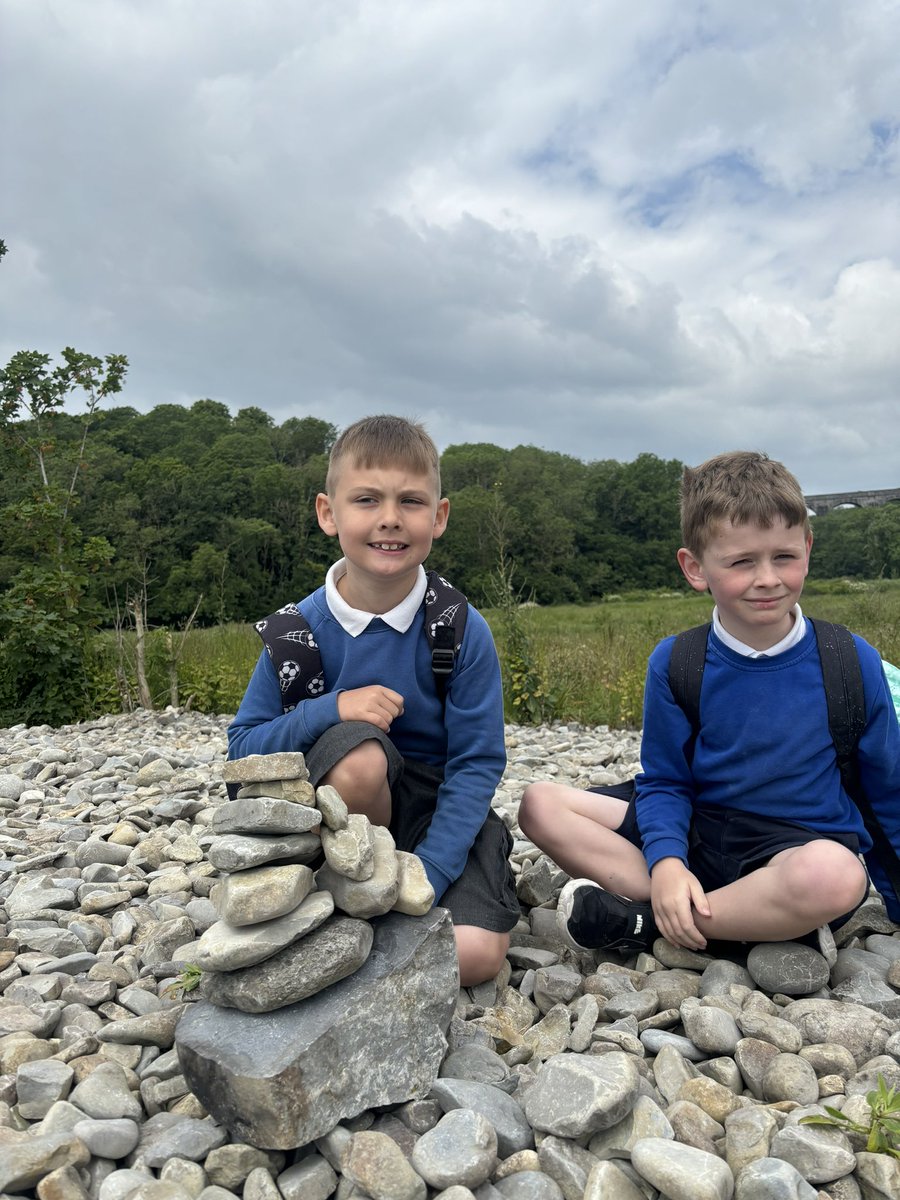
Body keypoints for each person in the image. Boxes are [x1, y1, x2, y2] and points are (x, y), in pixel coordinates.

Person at [519, 450, 900, 956]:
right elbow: (666, 782)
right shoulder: (678, 662)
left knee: (836, 877)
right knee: (540, 804)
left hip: (793, 850)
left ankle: (652, 922)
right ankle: (713, 911)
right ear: (695, 568)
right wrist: (669, 862)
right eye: (742, 561)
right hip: (698, 825)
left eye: (783, 556)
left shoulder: (850, 661)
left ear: (807, 547)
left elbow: (887, 791)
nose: (768, 578)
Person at [228, 414, 519, 985]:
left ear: (438, 518)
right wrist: (329, 709)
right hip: (337, 818)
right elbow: (241, 754)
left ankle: (385, 912)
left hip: (440, 807)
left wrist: (433, 869)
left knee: (478, 957)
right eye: (366, 500)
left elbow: (478, 762)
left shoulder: (459, 627)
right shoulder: (296, 634)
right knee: (360, 756)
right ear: (328, 513)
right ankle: (352, 890)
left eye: (411, 501)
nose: (389, 519)